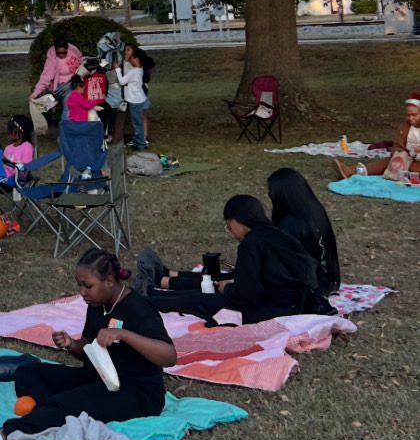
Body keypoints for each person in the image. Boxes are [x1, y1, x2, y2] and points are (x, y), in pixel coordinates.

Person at [0, 247, 177, 440]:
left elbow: (169, 356)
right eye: (79, 285)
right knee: (29, 372)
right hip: (98, 377)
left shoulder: (137, 307)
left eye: (87, 286)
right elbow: (87, 350)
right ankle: (45, 416)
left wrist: (124, 335)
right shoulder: (98, 305)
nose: (82, 292)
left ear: (109, 281)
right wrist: (71, 344)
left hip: (136, 391)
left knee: (65, 404)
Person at [134, 195, 334, 322]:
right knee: (213, 282)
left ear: (240, 221)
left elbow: (248, 295)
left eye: (229, 225)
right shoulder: (273, 233)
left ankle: (147, 299)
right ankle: (157, 286)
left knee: (202, 299)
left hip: (274, 306)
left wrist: (228, 287)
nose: (230, 231)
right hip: (289, 298)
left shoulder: (252, 243)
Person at [267, 167, 341, 296]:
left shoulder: (293, 224)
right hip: (323, 278)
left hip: (307, 285)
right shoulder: (314, 210)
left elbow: (280, 262)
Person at [333, 92, 420, 180]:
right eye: (408, 115)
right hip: (409, 158)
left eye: (414, 115)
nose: (411, 118)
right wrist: (400, 155)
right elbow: (398, 145)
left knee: (412, 167)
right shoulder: (405, 127)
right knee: (391, 161)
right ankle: (352, 171)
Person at [30, 36, 84, 137]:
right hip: (61, 87)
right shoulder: (52, 60)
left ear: (67, 49)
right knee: (69, 103)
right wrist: (35, 93)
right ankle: (65, 134)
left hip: (75, 84)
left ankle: (72, 132)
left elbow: (81, 64)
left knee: (75, 106)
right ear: (55, 51)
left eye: (64, 52)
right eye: (59, 53)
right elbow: (46, 77)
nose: (62, 55)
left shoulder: (74, 52)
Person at [116, 43, 151, 150]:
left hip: (135, 100)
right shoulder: (139, 70)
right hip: (137, 98)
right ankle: (139, 140)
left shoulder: (134, 71)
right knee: (137, 122)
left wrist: (117, 69)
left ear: (136, 59)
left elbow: (122, 81)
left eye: (129, 50)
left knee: (137, 123)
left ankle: (141, 143)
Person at [1, 115, 35, 183]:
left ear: (22, 132)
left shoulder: (27, 147)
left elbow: (25, 169)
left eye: (11, 131)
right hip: (1, 176)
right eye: (8, 130)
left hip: (14, 179)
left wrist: (10, 163)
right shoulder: (8, 148)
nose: (8, 133)